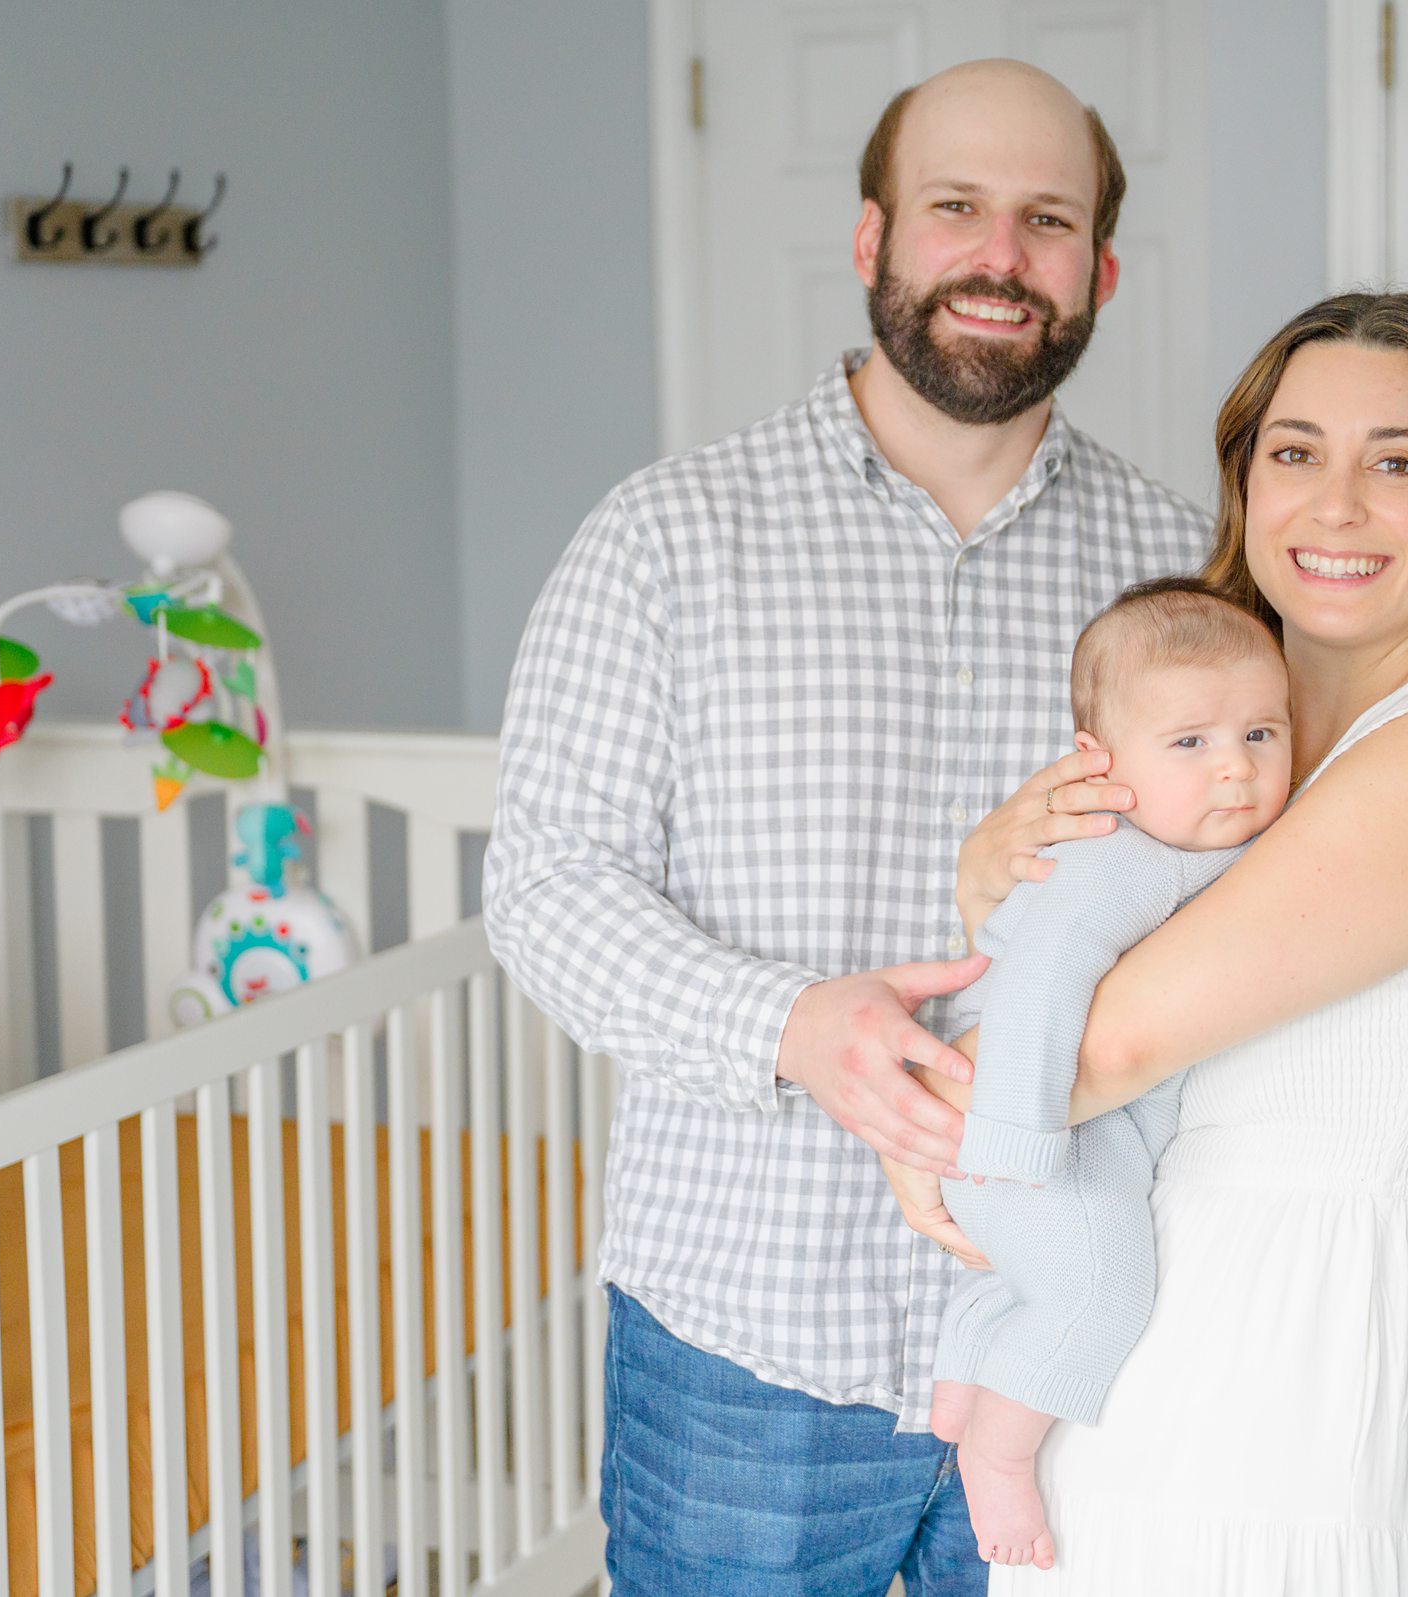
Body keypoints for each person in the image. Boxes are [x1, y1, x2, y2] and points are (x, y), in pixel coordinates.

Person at [482, 58, 1210, 1597]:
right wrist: (793, 1025)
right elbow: (547, 885)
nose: (1000, 257)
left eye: (1047, 220)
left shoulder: (1190, 575)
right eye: (957, 208)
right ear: (874, 240)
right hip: (751, 1337)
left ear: (1100, 270)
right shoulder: (664, 540)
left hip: (1077, 1339)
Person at [886, 290, 1408, 1595]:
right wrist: (992, 871)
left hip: (1294, 1365)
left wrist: (920, 1108)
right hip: (1136, 1350)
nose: (1333, 506)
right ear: (1246, 483)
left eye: (1398, 462)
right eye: (1294, 452)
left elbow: (1124, 1034)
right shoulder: (1225, 748)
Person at [931, 580, 1293, 1570]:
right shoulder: (1120, 861)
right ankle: (999, 1459)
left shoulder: (1204, 847)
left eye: (1262, 734)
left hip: (1071, 1128)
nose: (1235, 769)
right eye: (1191, 743)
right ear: (1098, 762)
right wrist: (1011, 1144)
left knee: (1035, 1278)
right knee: (1099, 1293)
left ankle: (965, 1376)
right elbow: (1035, 989)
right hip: (1029, 1130)